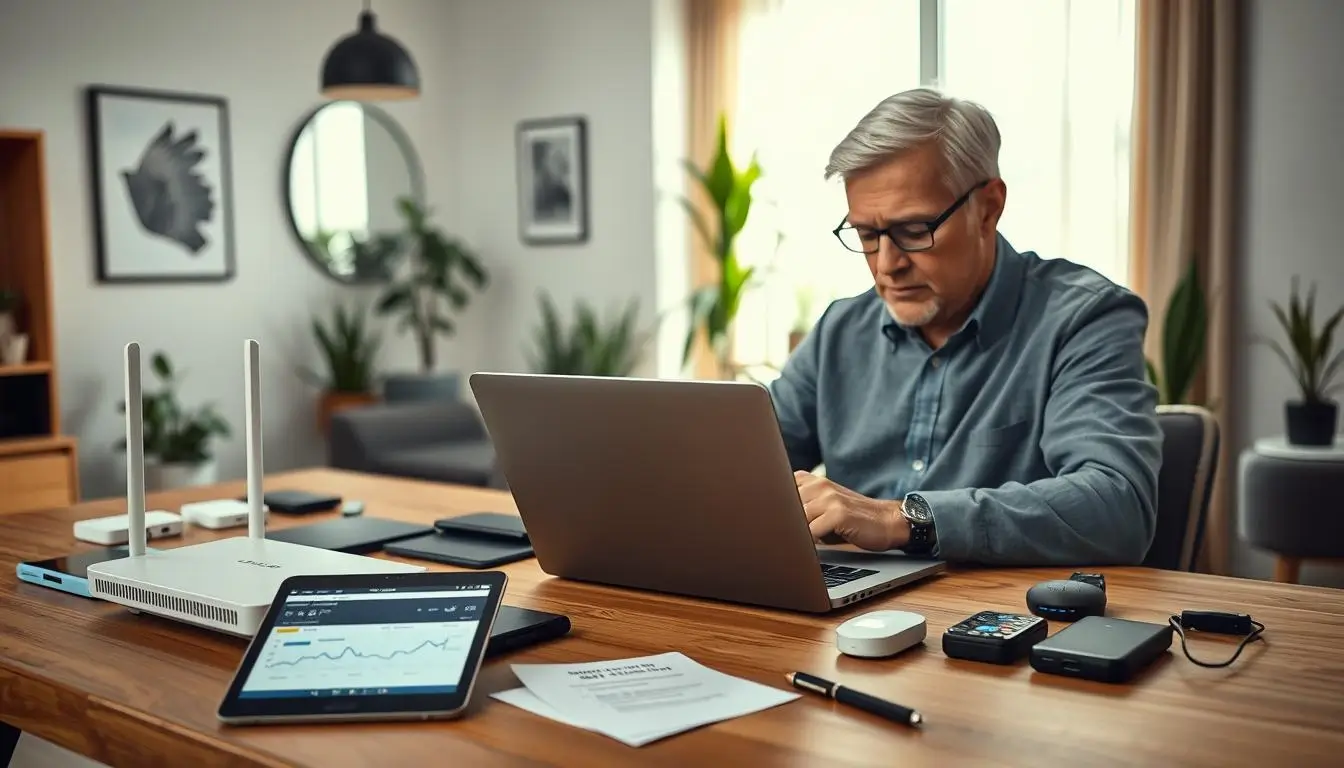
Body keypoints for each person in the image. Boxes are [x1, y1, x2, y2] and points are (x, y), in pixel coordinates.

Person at [771, 88, 1163, 566]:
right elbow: (746, 465)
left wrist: (905, 520)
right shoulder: (841, 329)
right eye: (867, 235)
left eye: (915, 230)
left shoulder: (1084, 319)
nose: (887, 265)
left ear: (988, 208)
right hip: (848, 613)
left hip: (1002, 621)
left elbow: (1117, 506)